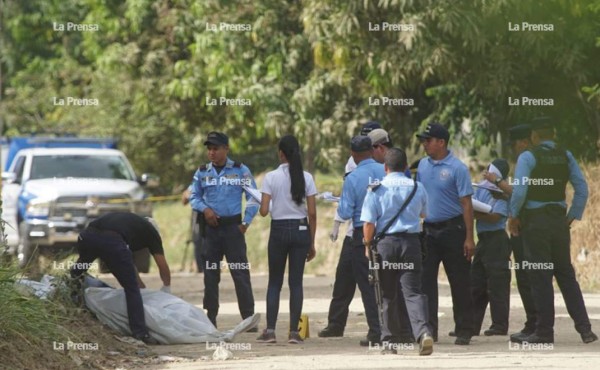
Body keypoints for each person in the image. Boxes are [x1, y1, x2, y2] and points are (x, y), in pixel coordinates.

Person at [508, 117, 597, 344]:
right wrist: (571, 217)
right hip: (558, 222)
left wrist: (513, 216)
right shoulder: (565, 155)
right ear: (553, 134)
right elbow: (582, 188)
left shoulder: (529, 156)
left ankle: (544, 332)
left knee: (540, 275)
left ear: (534, 137)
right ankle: (585, 329)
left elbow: (519, 192)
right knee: (566, 275)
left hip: (536, 223)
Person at [361, 148, 434, 356]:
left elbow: (368, 223)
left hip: (385, 246)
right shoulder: (417, 187)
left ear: (385, 167)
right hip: (411, 244)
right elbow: (423, 214)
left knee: (386, 294)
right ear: (404, 167)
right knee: (413, 292)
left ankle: (389, 341)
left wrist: (368, 246)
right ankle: (423, 333)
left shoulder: (376, 189)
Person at [320, 135, 385, 346]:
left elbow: (346, 211)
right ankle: (394, 329)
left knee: (367, 285)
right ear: (372, 150)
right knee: (388, 283)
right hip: (387, 233)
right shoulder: (385, 170)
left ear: (353, 154)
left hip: (362, 235)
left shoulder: (353, 177)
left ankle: (376, 332)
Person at [190, 131, 258, 329]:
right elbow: (194, 196)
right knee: (211, 274)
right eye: (209, 149)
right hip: (212, 230)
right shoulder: (202, 172)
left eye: (216, 148)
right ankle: (210, 318)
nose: (211, 153)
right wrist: (206, 209)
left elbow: (253, 196)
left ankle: (248, 318)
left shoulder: (240, 171)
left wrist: (246, 222)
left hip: (233, 229)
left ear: (226, 149)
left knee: (240, 272)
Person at [70, 212, 172, 345]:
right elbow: (162, 265)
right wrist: (167, 286)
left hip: (87, 237)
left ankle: (72, 304)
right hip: (111, 242)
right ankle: (140, 333)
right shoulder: (152, 233)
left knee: (77, 272)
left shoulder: (131, 223)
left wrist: (140, 285)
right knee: (131, 290)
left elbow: (127, 260)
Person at [416, 123, 475, 345]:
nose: (425, 144)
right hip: (429, 231)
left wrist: (470, 237)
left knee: (460, 281)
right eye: (424, 140)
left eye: (428, 140)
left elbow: (466, 203)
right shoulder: (422, 165)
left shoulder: (458, 168)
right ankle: (429, 330)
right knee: (425, 283)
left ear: (441, 142)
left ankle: (464, 329)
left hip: (454, 230)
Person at [255, 135, 317, 344]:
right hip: (301, 230)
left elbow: (264, 211)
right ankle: (294, 333)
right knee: (296, 283)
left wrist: (269, 205)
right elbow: (312, 213)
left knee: (275, 282)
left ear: (281, 153)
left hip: (279, 230)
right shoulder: (306, 177)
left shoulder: (270, 177)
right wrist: (312, 241)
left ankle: (270, 331)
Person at [483, 124, 537, 338]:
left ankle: (535, 323)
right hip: (541, 223)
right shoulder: (539, 159)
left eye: (515, 143)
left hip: (525, 226)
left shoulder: (526, 158)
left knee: (525, 277)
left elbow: (519, 194)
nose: (514, 148)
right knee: (534, 275)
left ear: (524, 141)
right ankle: (537, 323)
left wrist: (496, 182)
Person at [471, 159, 511, 336]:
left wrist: (474, 214)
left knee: (497, 285)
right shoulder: (480, 187)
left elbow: (496, 217)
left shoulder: (502, 192)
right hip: (483, 240)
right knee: (476, 284)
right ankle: (471, 325)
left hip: (497, 240)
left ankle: (499, 325)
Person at [182, 185, 204, 273]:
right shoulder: (197, 181)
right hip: (198, 213)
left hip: (214, 211)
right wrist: (190, 196)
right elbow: (185, 198)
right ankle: (201, 268)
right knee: (197, 240)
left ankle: (211, 267)